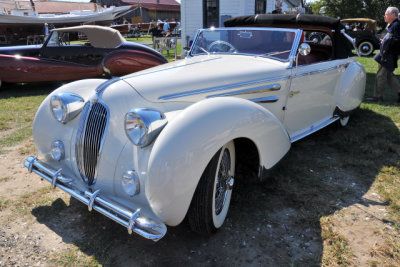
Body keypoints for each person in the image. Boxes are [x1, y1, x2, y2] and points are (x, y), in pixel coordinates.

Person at [369, 7, 400, 102]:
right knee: (388, 75)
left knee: (380, 75)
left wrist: (386, 42)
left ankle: (378, 97)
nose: (384, 16)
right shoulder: (394, 24)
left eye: (386, 14)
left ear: (393, 15)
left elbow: (397, 40)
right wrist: (385, 41)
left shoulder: (397, 25)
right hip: (388, 53)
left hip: (389, 54)